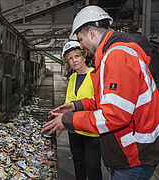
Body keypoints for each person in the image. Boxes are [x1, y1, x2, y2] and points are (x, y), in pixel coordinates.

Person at [42, 5, 159, 180]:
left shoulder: (118, 56)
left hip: (133, 156)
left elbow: (114, 115)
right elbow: (105, 101)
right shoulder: (111, 56)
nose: (81, 45)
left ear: (91, 33)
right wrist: (76, 105)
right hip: (127, 154)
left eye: (80, 39)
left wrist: (68, 120)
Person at [62, 41, 102, 180]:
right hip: (74, 129)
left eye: (77, 56)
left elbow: (99, 102)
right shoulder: (72, 78)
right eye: (70, 59)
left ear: (84, 56)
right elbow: (68, 102)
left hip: (91, 131)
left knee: (93, 167)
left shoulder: (95, 75)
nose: (74, 61)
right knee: (78, 163)